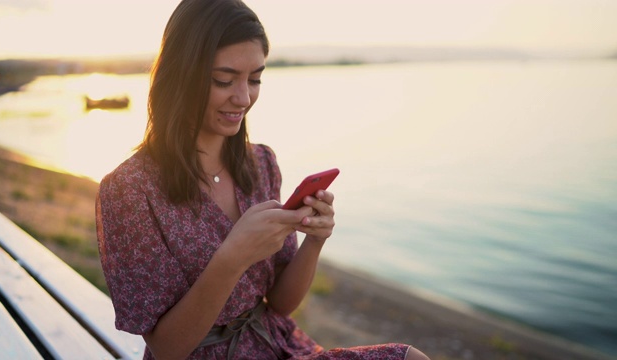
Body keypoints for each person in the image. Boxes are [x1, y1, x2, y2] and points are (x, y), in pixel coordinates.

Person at [95, 0, 430, 359]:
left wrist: (314, 240)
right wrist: (232, 257)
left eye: (255, 79)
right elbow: (166, 349)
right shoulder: (129, 190)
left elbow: (281, 304)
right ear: (181, 75)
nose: (243, 98)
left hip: (277, 345)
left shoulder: (261, 163)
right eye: (223, 80)